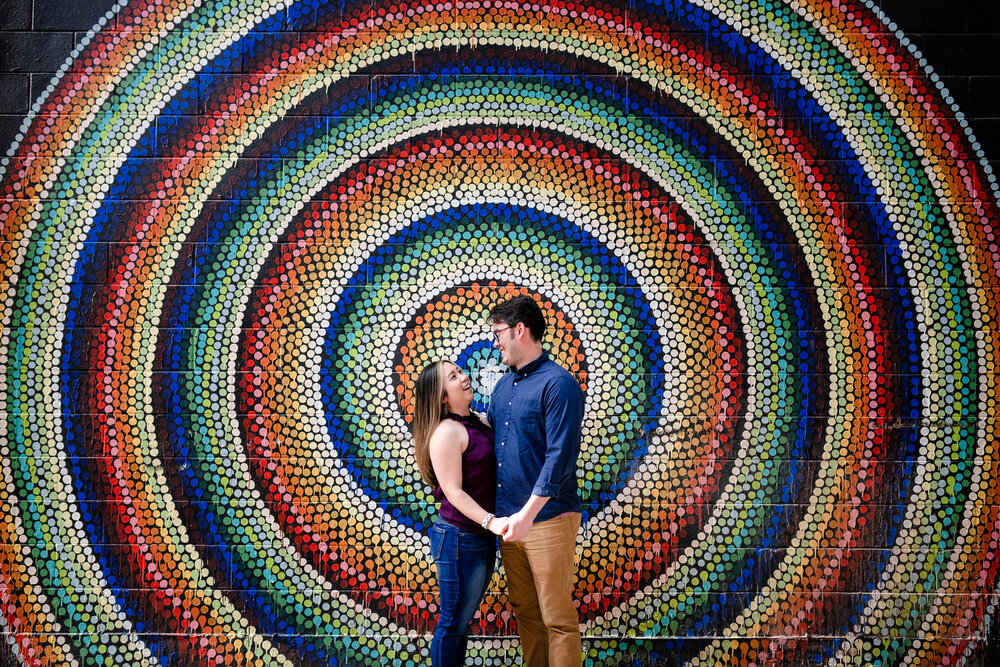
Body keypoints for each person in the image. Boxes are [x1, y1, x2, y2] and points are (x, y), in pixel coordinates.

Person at [487, 295, 585, 666]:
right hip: (510, 524)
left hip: (547, 520)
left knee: (557, 619)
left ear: (519, 330)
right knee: (526, 614)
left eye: (498, 333)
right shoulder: (503, 387)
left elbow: (559, 458)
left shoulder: (559, 384)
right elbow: (493, 434)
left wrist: (527, 515)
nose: (495, 342)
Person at [412, 360, 508, 666]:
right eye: (453, 377)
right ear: (442, 397)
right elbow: (453, 491)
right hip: (458, 539)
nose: (464, 377)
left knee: (461, 622)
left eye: (460, 371)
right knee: (452, 624)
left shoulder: (478, 421)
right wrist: (490, 521)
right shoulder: (447, 432)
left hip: (477, 537)